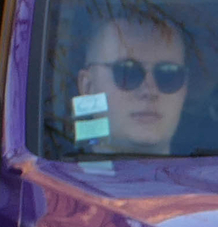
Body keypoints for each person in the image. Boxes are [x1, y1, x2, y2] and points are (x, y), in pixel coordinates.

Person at [73, 15, 190, 155]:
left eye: (169, 75)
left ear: (185, 89)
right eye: (127, 73)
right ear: (88, 87)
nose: (149, 91)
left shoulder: (216, 170)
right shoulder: (45, 172)